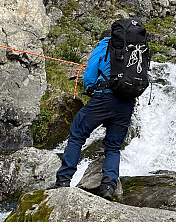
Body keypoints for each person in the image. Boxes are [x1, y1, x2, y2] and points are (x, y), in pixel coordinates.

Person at [54, 29, 137, 200]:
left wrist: (91, 90)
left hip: (104, 98)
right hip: (127, 102)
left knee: (77, 134)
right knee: (113, 147)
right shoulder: (133, 49)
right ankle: (108, 187)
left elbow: (89, 77)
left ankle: (63, 180)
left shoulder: (104, 45)